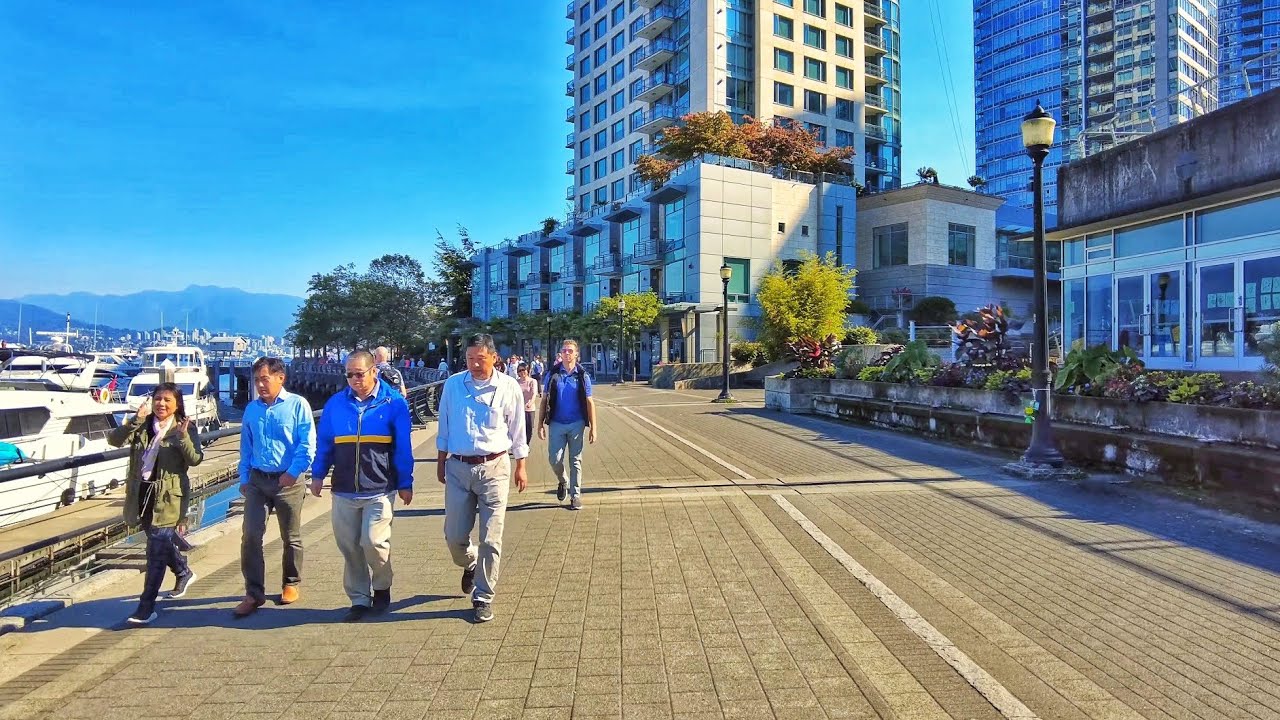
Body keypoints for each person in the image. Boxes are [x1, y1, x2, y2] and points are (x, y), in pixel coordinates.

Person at [312, 350, 415, 622]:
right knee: (349, 547)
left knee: (374, 542)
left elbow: (403, 447)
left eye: (359, 374)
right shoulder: (335, 405)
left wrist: (406, 482)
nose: (355, 379)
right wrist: (318, 474)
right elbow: (325, 443)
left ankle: (382, 587)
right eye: (349, 375)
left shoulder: (394, 404)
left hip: (380, 488)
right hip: (344, 488)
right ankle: (359, 598)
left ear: (374, 371)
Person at [436, 334, 528, 623]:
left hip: (495, 467)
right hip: (458, 468)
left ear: (494, 358)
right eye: (470, 359)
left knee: (491, 537)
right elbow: (444, 426)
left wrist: (521, 465)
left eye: (480, 358)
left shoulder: (508, 386)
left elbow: (517, 429)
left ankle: (483, 596)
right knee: (454, 536)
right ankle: (470, 563)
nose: (474, 364)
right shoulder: (453, 385)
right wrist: (440, 463)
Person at [108, 383, 203, 625]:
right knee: (158, 542)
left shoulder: (184, 428)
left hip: (168, 496)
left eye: (167, 400)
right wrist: (133, 421)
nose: (161, 404)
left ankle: (146, 606)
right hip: (141, 493)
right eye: (157, 399)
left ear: (177, 404)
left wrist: (183, 438)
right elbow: (114, 441)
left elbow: (195, 460)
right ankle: (183, 571)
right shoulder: (142, 425)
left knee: (155, 552)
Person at [234, 356, 315, 618]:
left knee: (290, 536)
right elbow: (246, 445)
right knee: (250, 536)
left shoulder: (297, 405)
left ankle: (290, 583)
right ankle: (253, 593)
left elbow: (307, 444)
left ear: (281, 378)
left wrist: (293, 473)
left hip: (287, 480)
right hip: (258, 479)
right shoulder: (252, 409)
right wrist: (244, 478)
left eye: (264, 379)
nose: (259, 384)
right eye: (257, 380)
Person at [539, 339, 597, 511]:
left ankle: (575, 495)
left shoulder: (582, 375)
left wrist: (594, 427)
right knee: (554, 459)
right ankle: (563, 481)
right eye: (564, 350)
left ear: (576, 354)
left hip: (576, 423)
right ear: (560, 354)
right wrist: (540, 424)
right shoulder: (553, 374)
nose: (567, 353)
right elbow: (544, 401)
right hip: (556, 423)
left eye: (570, 351)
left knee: (575, 460)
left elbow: (589, 402)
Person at [516, 362, 539, 444]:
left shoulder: (532, 381)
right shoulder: (516, 382)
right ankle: (520, 445)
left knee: (529, 429)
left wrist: (530, 403)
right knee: (519, 428)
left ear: (528, 370)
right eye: (520, 370)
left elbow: (534, 394)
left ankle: (526, 444)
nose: (522, 372)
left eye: (523, 370)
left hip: (529, 409)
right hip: (518, 409)